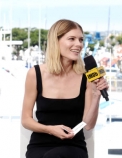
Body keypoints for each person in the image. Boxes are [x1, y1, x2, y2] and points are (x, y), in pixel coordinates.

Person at [21, 19, 109, 158]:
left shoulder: (87, 76)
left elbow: (88, 125)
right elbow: (26, 119)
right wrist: (50, 130)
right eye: (72, 39)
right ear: (56, 41)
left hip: (73, 146)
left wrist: (96, 95)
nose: (78, 44)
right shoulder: (35, 74)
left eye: (80, 40)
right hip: (40, 145)